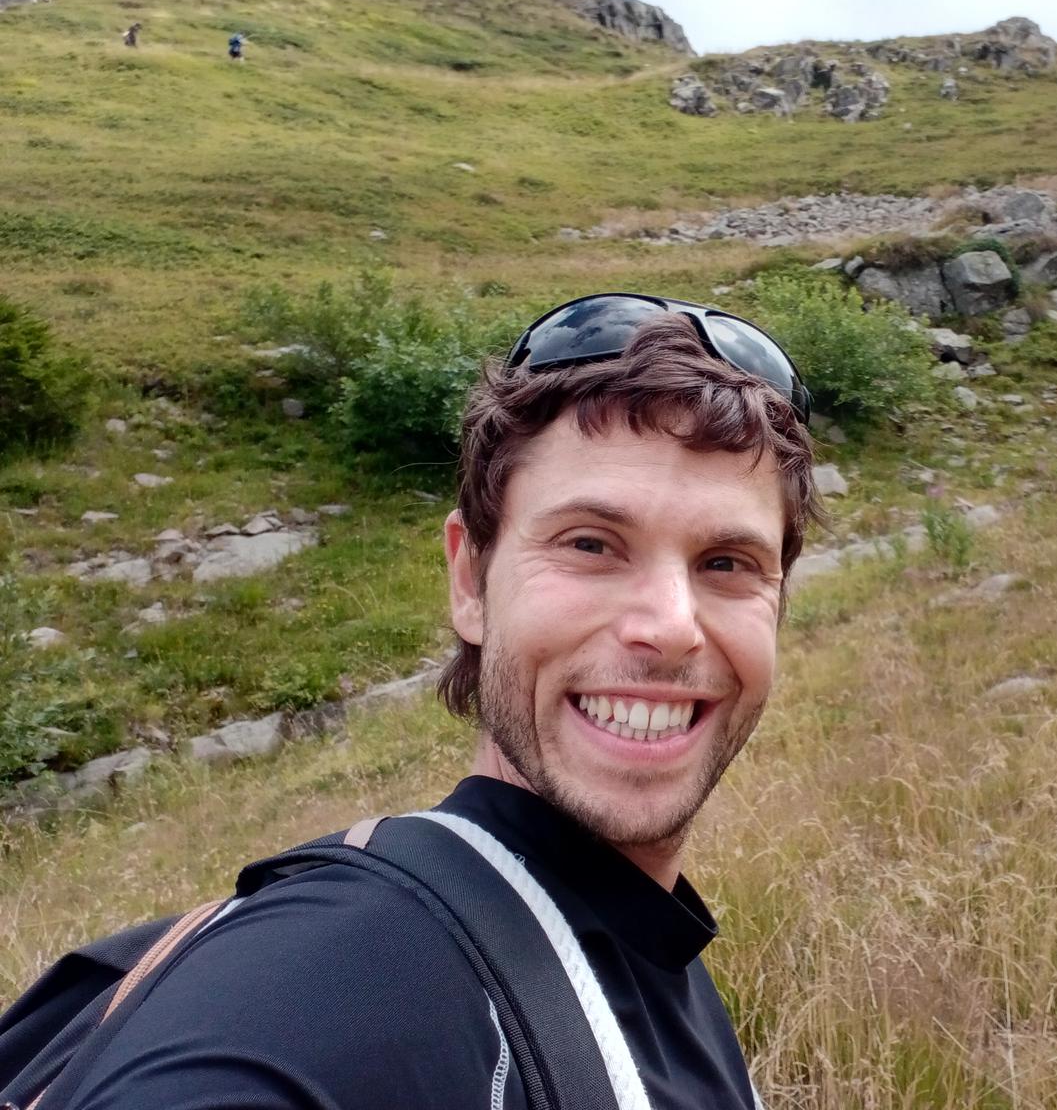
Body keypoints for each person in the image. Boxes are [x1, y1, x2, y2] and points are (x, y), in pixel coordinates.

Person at [50, 295, 820, 1109]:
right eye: (590, 544)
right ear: (470, 581)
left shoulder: (649, 945)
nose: (670, 628)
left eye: (728, 562)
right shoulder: (337, 971)